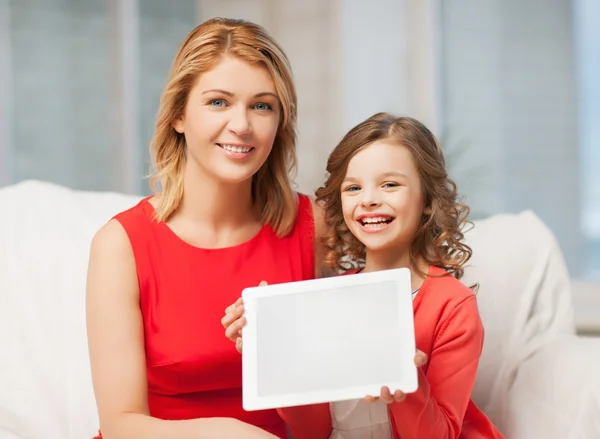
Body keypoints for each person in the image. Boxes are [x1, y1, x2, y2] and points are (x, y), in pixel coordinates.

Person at [85, 17, 328, 439]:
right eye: (218, 102)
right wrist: (238, 434)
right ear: (178, 115)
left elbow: (329, 408)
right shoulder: (121, 245)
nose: (242, 125)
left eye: (262, 105)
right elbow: (120, 423)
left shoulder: (314, 227)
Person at [223, 113, 505, 438]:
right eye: (354, 187)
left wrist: (404, 380)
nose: (369, 199)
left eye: (389, 184)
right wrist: (276, 353)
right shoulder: (327, 300)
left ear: (427, 200)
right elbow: (315, 430)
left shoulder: (452, 306)